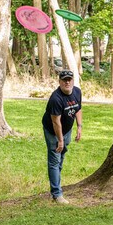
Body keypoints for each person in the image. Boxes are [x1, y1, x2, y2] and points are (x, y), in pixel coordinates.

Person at [42, 69, 82, 204]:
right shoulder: (56, 99)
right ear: (59, 82)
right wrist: (60, 140)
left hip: (67, 130)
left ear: (73, 81)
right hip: (53, 131)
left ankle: (56, 179)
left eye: (69, 79)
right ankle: (57, 195)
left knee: (61, 155)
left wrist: (79, 126)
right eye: (64, 80)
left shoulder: (77, 92)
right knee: (54, 159)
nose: (67, 82)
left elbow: (78, 109)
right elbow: (55, 121)